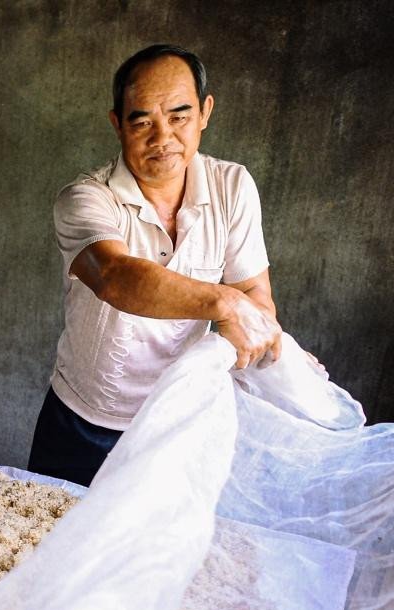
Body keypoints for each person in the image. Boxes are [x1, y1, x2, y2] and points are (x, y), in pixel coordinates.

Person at [27, 44, 285, 487]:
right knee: (51, 542)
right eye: (142, 120)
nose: (162, 137)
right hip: (82, 423)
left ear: (205, 111)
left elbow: (254, 297)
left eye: (179, 116)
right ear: (117, 124)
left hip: (176, 422)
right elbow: (114, 276)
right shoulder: (86, 198)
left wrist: (255, 332)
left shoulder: (233, 187)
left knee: (159, 553)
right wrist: (225, 305)